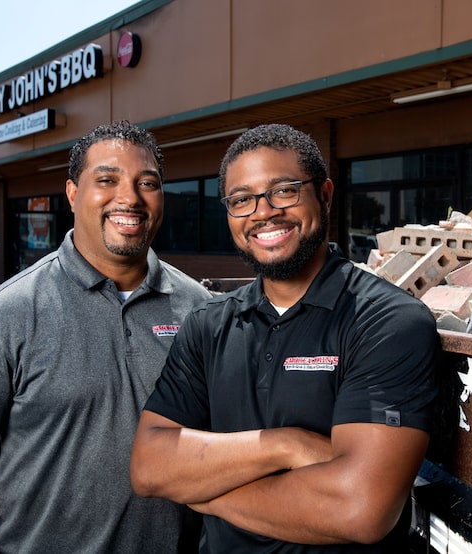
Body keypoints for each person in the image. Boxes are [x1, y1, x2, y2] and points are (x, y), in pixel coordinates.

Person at [130, 123, 440, 552]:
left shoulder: (386, 321)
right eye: (242, 200)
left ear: (325, 195)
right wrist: (285, 445)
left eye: (284, 191)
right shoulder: (208, 325)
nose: (263, 212)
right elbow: (149, 466)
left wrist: (200, 491)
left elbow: (360, 508)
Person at [0, 120, 211, 553]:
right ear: (73, 194)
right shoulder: (0, 318)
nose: (128, 197)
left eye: (146, 182)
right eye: (106, 180)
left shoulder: (200, 308)